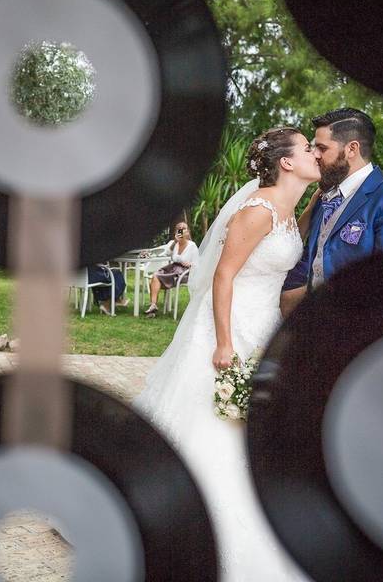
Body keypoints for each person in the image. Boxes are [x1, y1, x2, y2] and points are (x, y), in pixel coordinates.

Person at [135, 127, 318, 581]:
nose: (315, 153)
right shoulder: (255, 211)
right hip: (230, 328)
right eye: (308, 148)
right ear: (287, 163)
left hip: (263, 326)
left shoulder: (290, 212)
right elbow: (223, 277)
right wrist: (223, 342)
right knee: (215, 426)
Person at [280, 108, 383, 316]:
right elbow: (310, 260)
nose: (315, 155)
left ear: (351, 149)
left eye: (322, 148)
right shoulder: (321, 200)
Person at [144, 221, 198, 317]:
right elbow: (168, 253)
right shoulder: (174, 244)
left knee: (158, 277)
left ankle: (153, 306)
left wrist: (189, 264)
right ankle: (153, 305)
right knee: (155, 275)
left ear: (187, 232)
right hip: (172, 267)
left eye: (183, 228)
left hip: (184, 272)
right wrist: (175, 241)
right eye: (179, 229)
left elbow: (197, 264)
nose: (181, 230)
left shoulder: (192, 246)